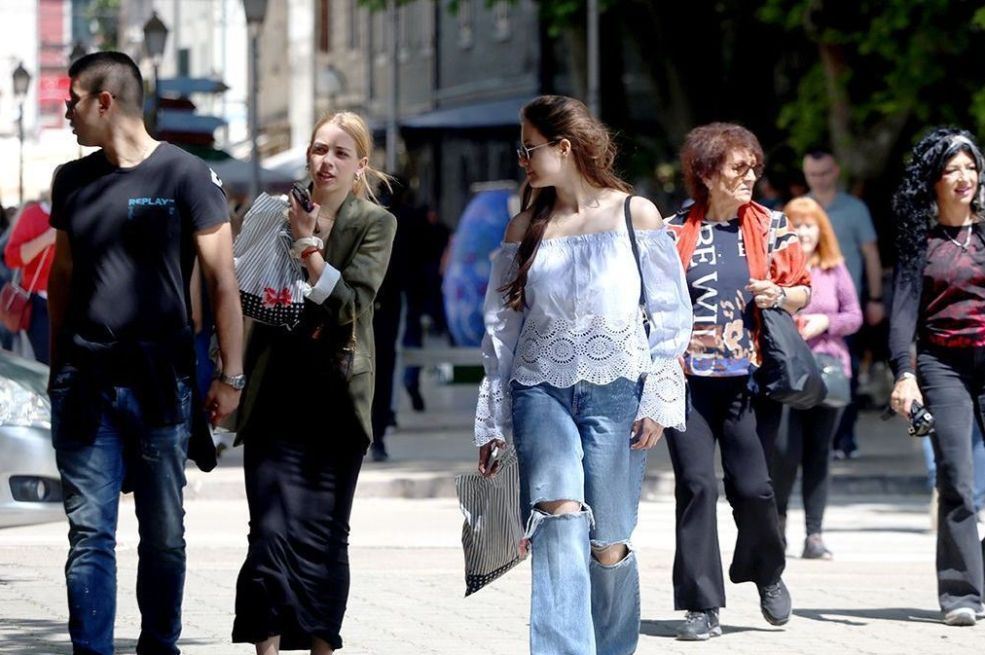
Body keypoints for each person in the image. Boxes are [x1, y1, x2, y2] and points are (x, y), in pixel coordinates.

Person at [474, 95, 691, 654]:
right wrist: (492, 416)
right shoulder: (524, 227)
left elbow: (671, 315)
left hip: (618, 389)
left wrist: (661, 399)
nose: (521, 158)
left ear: (563, 147)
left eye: (528, 147)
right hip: (538, 387)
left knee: (608, 541)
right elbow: (502, 331)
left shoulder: (633, 213)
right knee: (557, 516)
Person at [47, 51, 244, 655]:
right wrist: (58, 367)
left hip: (162, 382)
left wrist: (230, 378)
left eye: (73, 100)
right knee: (89, 535)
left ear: (105, 101)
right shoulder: (71, 179)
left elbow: (221, 283)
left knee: (163, 537)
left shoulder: (186, 175)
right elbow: (63, 275)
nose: (66, 113)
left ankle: (160, 646)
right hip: (85, 383)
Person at [232, 111, 397, 654]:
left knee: (326, 538)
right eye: (318, 148)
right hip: (274, 393)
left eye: (339, 153)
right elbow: (239, 294)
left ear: (360, 166)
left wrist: (309, 247)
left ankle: (322, 646)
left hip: (335, 398)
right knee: (269, 532)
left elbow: (352, 305)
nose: (324, 161)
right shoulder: (273, 213)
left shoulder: (373, 223)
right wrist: (227, 374)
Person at [665, 123, 811, 641]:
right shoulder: (673, 230)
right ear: (705, 173)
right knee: (697, 486)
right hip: (685, 382)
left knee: (753, 489)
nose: (750, 176)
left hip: (748, 381)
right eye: (737, 168)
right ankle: (701, 605)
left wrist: (777, 294)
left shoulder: (771, 225)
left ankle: (766, 571)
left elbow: (803, 292)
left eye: (754, 167)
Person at [889, 127, 985, 627]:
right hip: (942, 364)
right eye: (952, 169)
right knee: (957, 480)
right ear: (934, 180)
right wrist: (904, 373)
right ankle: (961, 594)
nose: (964, 177)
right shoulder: (920, 242)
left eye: (970, 166)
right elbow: (903, 312)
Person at [770, 197, 862, 560]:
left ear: (821, 229)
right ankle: (777, 524)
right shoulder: (776, 267)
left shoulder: (833, 267)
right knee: (783, 451)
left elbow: (854, 315)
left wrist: (826, 323)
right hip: (787, 371)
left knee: (819, 453)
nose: (805, 232)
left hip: (828, 368)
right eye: (798, 224)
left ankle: (815, 533)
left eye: (810, 225)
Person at [803, 149, 885, 459]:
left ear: (835, 171)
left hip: (845, 307)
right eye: (812, 174)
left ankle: (845, 437)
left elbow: (871, 254)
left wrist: (875, 298)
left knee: (845, 370)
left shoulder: (854, 208)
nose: (819, 180)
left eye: (824, 173)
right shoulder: (801, 211)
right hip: (807, 306)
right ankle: (812, 441)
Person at [3, 196, 55, 363]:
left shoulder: (84, 212)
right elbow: (11, 258)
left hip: (80, 304)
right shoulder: (33, 215)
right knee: (47, 366)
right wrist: (47, 238)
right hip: (41, 304)